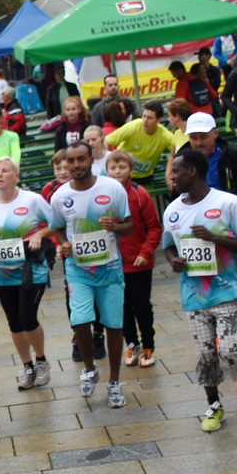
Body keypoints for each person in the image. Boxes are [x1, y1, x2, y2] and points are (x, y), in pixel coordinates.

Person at [162, 150, 237, 432]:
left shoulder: (228, 203)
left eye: (176, 171)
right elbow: (168, 245)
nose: (172, 177)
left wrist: (214, 238)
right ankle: (214, 406)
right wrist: (173, 260)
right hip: (193, 295)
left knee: (232, 349)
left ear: (192, 172)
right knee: (206, 355)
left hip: (227, 289)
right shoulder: (173, 210)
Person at [47, 139, 132, 408]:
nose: (75, 165)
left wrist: (116, 228)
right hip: (78, 270)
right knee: (81, 321)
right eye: (70, 161)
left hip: (110, 269)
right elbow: (57, 227)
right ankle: (89, 369)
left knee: (114, 325)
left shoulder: (112, 188)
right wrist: (64, 245)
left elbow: (129, 225)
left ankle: (115, 381)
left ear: (91, 159)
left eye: (81, 159)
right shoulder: (60, 196)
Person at [0, 156, 53, 390]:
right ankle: (27, 366)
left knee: (27, 317)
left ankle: (41, 361)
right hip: (4, 272)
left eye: (5, 171)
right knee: (14, 322)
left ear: (16, 176)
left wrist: (39, 235)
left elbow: (56, 222)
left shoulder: (32, 200)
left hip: (32, 269)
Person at [105, 150, 161, 368]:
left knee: (142, 307)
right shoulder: (103, 194)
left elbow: (155, 228)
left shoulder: (140, 194)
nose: (117, 171)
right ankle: (132, 344)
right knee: (121, 307)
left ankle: (148, 347)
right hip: (112, 264)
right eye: (113, 167)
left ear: (131, 169)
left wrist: (145, 253)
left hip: (138, 264)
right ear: (106, 170)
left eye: (122, 167)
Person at [182, 111, 237, 221]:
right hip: (195, 219)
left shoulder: (233, 154)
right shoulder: (183, 158)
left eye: (204, 137)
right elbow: (177, 195)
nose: (198, 143)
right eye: (193, 138)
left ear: (215, 134)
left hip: (230, 217)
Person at [104, 100, 174, 188]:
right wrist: (106, 167)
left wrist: (169, 175)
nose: (145, 120)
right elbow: (106, 141)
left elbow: (178, 150)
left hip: (145, 176)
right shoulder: (133, 126)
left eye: (150, 118)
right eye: (144, 116)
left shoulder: (165, 135)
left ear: (159, 120)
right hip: (123, 175)